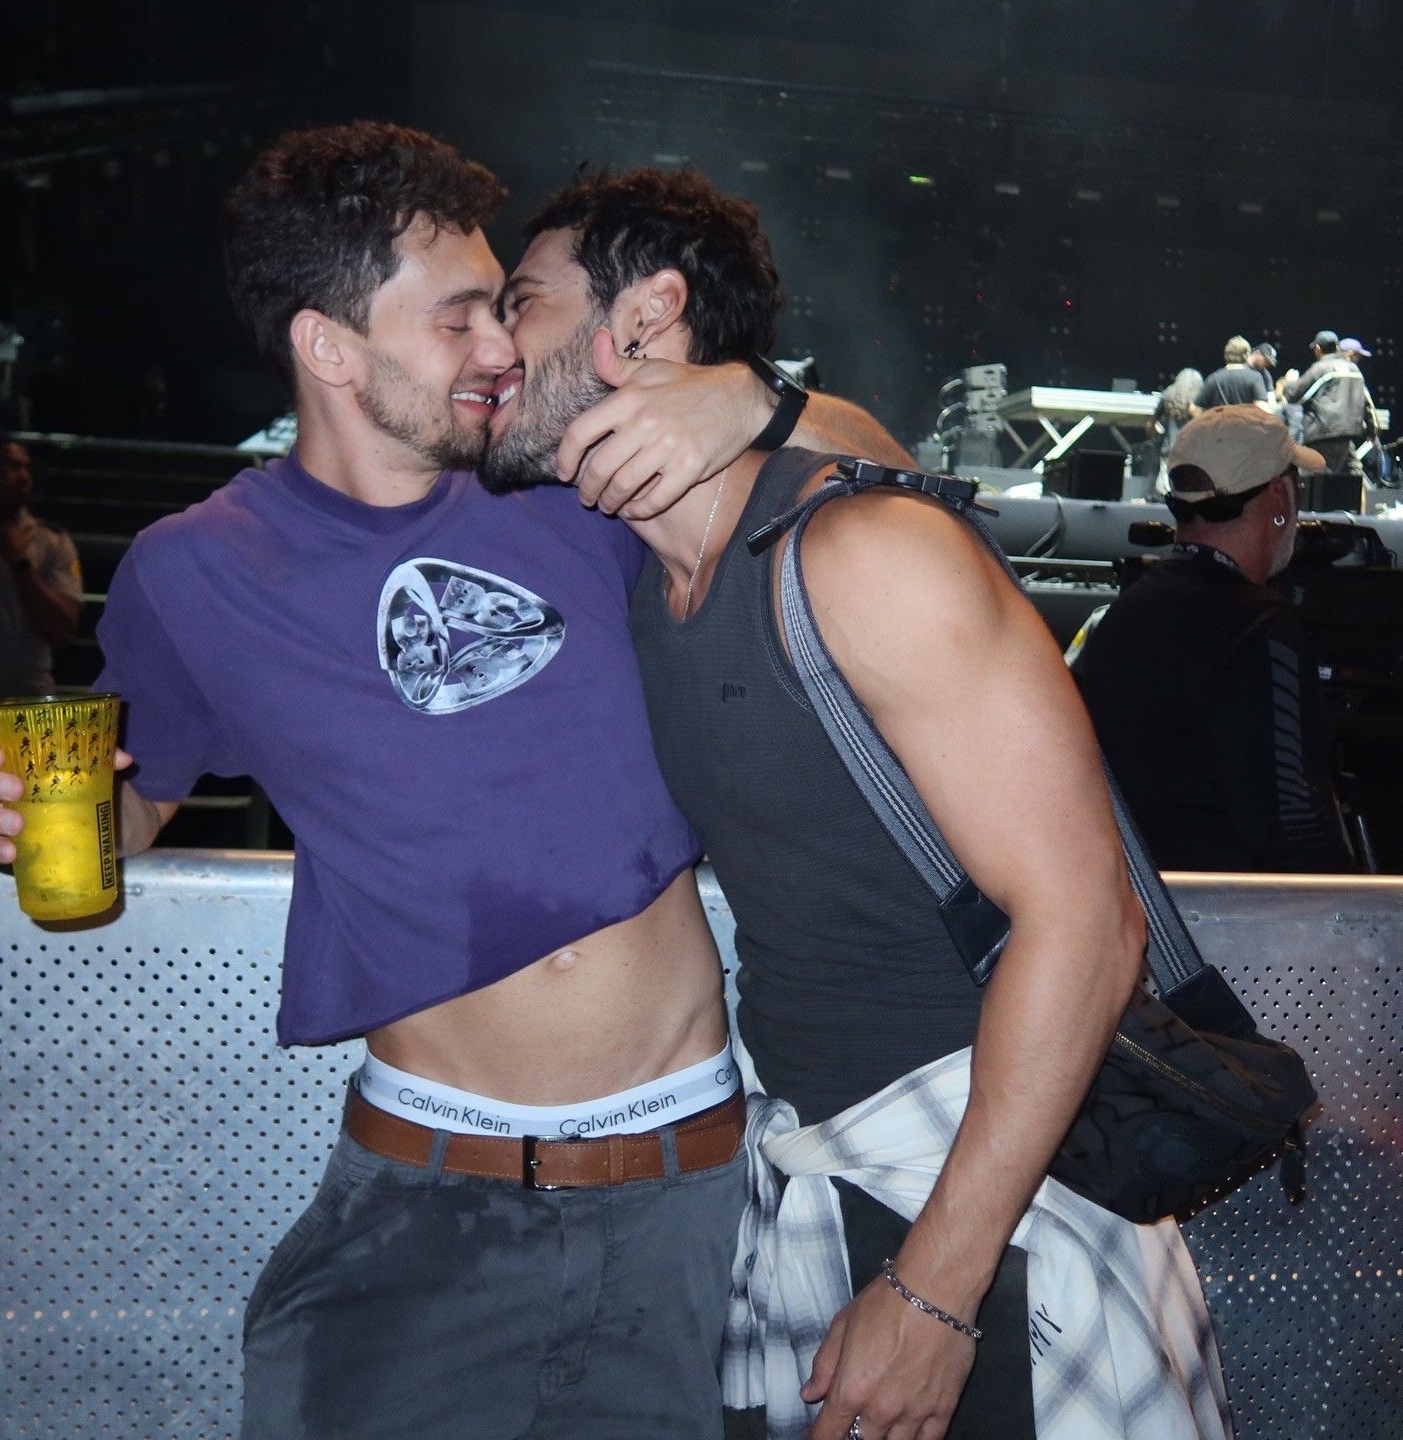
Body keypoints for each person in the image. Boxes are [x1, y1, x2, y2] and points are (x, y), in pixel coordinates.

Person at [0, 123, 903, 1439]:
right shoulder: (197, 572)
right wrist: (4, 816)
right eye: (457, 317)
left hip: (691, 1201)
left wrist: (754, 402)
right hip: (423, 1214)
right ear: (329, 346)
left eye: (499, 308)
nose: (501, 346)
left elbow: (890, 483)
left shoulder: (569, 474)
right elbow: (124, 809)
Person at [481, 166, 1232, 1440]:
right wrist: (759, 401)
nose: (497, 344)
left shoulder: (862, 550)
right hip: (813, 1179)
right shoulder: (642, 571)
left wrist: (939, 1289)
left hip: (985, 1193)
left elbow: (1088, 926)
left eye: (523, 302)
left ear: (646, 317)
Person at [1073, 405, 1354, 874]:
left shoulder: (1123, 613)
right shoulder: (1259, 626)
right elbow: (1292, 827)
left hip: (1144, 897)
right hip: (1233, 911)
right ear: (1279, 498)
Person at [0, 436, 82, 722]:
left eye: (27, 467)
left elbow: (63, 631)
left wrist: (19, 562)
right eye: (12, 466)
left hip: (25, 701)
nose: (24, 476)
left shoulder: (50, 540)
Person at [1279, 329, 1371, 474]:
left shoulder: (1321, 368)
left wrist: (1288, 382)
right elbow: (1367, 403)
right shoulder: (1355, 370)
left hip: (1322, 433)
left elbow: (1294, 396)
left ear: (1317, 348)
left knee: (1315, 478)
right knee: (1352, 474)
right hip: (1347, 433)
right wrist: (1371, 430)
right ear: (1337, 347)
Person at [1191, 335, 1267, 413]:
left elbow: (1194, 409)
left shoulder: (1214, 378)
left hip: (1220, 421)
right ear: (1246, 355)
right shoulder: (1255, 378)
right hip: (1246, 421)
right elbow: (1262, 409)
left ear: (1225, 355)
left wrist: (1209, 419)